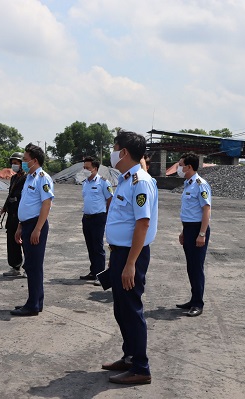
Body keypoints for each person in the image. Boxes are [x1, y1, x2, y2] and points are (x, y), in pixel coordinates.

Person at [101, 131, 158, 385]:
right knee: (121, 309)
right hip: (120, 253)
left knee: (131, 310)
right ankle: (129, 356)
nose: (113, 152)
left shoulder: (140, 182)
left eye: (115, 148)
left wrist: (131, 263)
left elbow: (142, 224)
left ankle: (141, 368)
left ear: (123, 152)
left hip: (131, 255)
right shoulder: (125, 179)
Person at [11, 143, 54, 316]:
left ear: (34, 160)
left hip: (36, 225)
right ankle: (36, 301)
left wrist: (37, 229)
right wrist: (20, 226)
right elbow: (26, 204)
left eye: (26, 159)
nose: (23, 162)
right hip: (27, 225)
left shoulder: (43, 178)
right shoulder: (29, 177)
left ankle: (32, 305)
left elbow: (46, 204)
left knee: (33, 266)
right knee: (31, 265)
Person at [176, 152, 212, 317]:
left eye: (181, 165)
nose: (179, 168)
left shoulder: (200, 184)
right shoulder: (188, 184)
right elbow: (190, 212)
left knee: (197, 268)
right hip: (189, 228)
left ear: (189, 167)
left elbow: (206, 210)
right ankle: (193, 299)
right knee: (191, 266)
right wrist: (184, 231)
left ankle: (198, 303)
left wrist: (202, 234)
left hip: (198, 229)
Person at [79, 156, 113, 281]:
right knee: (90, 246)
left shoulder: (103, 182)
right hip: (86, 218)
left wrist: (107, 216)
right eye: (84, 168)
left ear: (95, 168)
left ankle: (100, 275)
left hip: (98, 218)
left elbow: (110, 199)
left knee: (98, 247)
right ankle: (93, 272)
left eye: (87, 168)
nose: (85, 170)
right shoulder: (85, 183)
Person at [1, 152, 27, 277]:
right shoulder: (14, 178)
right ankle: (15, 266)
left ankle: (28, 267)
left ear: (22, 164)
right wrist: (5, 206)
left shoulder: (27, 178)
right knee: (11, 240)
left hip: (20, 213)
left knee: (23, 241)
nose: (13, 165)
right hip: (11, 213)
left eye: (16, 163)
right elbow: (10, 194)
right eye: (12, 163)